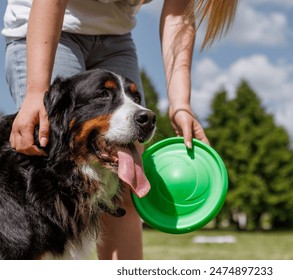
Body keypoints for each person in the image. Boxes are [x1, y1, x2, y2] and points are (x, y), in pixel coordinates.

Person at [2, 0, 238, 259]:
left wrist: (181, 104)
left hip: (116, 36)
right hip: (48, 25)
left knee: (125, 192)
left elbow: (178, 17)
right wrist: (38, 92)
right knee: (46, 173)